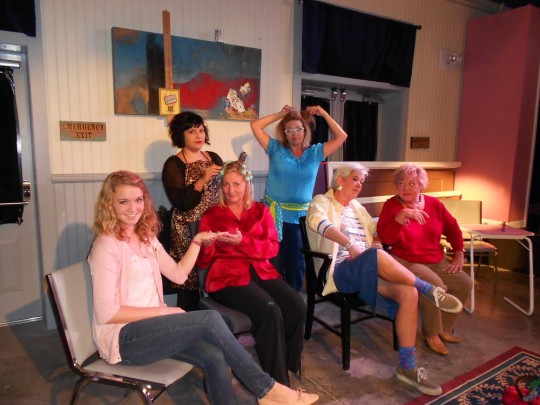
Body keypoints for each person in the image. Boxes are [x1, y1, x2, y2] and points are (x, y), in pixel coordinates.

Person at [88, 170, 319, 405]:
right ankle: (267, 390)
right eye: (123, 202)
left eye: (138, 200)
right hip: (125, 338)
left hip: (154, 328)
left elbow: (178, 275)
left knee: (215, 355)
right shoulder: (106, 246)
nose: (133, 208)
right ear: (110, 204)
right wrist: (164, 311)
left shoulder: (146, 236)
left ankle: (266, 396)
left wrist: (197, 241)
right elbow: (106, 313)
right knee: (209, 320)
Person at [306, 164, 464, 397]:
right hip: (339, 271)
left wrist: (377, 242)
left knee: (408, 293)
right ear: (340, 180)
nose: (359, 184)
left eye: (362, 181)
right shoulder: (322, 201)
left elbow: (376, 232)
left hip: (366, 271)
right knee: (379, 256)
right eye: (355, 179)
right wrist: (351, 245)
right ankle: (429, 290)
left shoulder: (358, 208)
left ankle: (407, 367)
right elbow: (318, 223)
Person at [196, 160, 306, 386]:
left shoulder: (261, 211)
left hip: (261, 271)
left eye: (236, 184)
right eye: (225, 184)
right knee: (270, 311)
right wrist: (207, 245)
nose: (230, 190)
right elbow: (203, 261)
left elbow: (272, 248)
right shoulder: (212, 215)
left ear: (247, 184)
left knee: (297, 304)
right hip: (227, 276)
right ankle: (277, 384)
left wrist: (243, 241)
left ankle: (288, 361)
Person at [377, 163, 472, 356]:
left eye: (411, 183)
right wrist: (401, 218)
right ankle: (431, 333)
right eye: (401, 183)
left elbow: (453, 228)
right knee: (435, 286)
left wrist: (459, 253)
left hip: (435, 259)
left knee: (464, 282)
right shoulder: (392, 206)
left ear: (421, 185)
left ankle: (444, 328)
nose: (405, 188)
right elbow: (386, 238)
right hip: (404, 260)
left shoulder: (435, 205)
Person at [250, 105, 347, 292]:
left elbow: (342, 136)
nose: (294, 134)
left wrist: (325, 114)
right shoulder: (275, 148)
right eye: (289, 130)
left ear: (305, 131)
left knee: (296, 265)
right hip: (272, 218)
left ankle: (293, 303)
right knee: (273, 263)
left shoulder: (315, 152)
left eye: (298, 129)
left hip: (300, 220)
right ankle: (274, 302)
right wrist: (280, 114)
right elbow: (255, 125)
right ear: (285, 134)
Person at [162, 111, 223, 311]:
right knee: (188, 281)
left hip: (213, 226)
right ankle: (188, 325)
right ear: (181, 135)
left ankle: (218, 322)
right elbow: (182, 203)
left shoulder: (213, 157)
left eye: (201, 130)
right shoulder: (173, 164)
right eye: (191, 131)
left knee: (216, 274)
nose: (198, 135)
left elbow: (222, 192)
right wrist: (202, 179)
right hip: (187, 229)